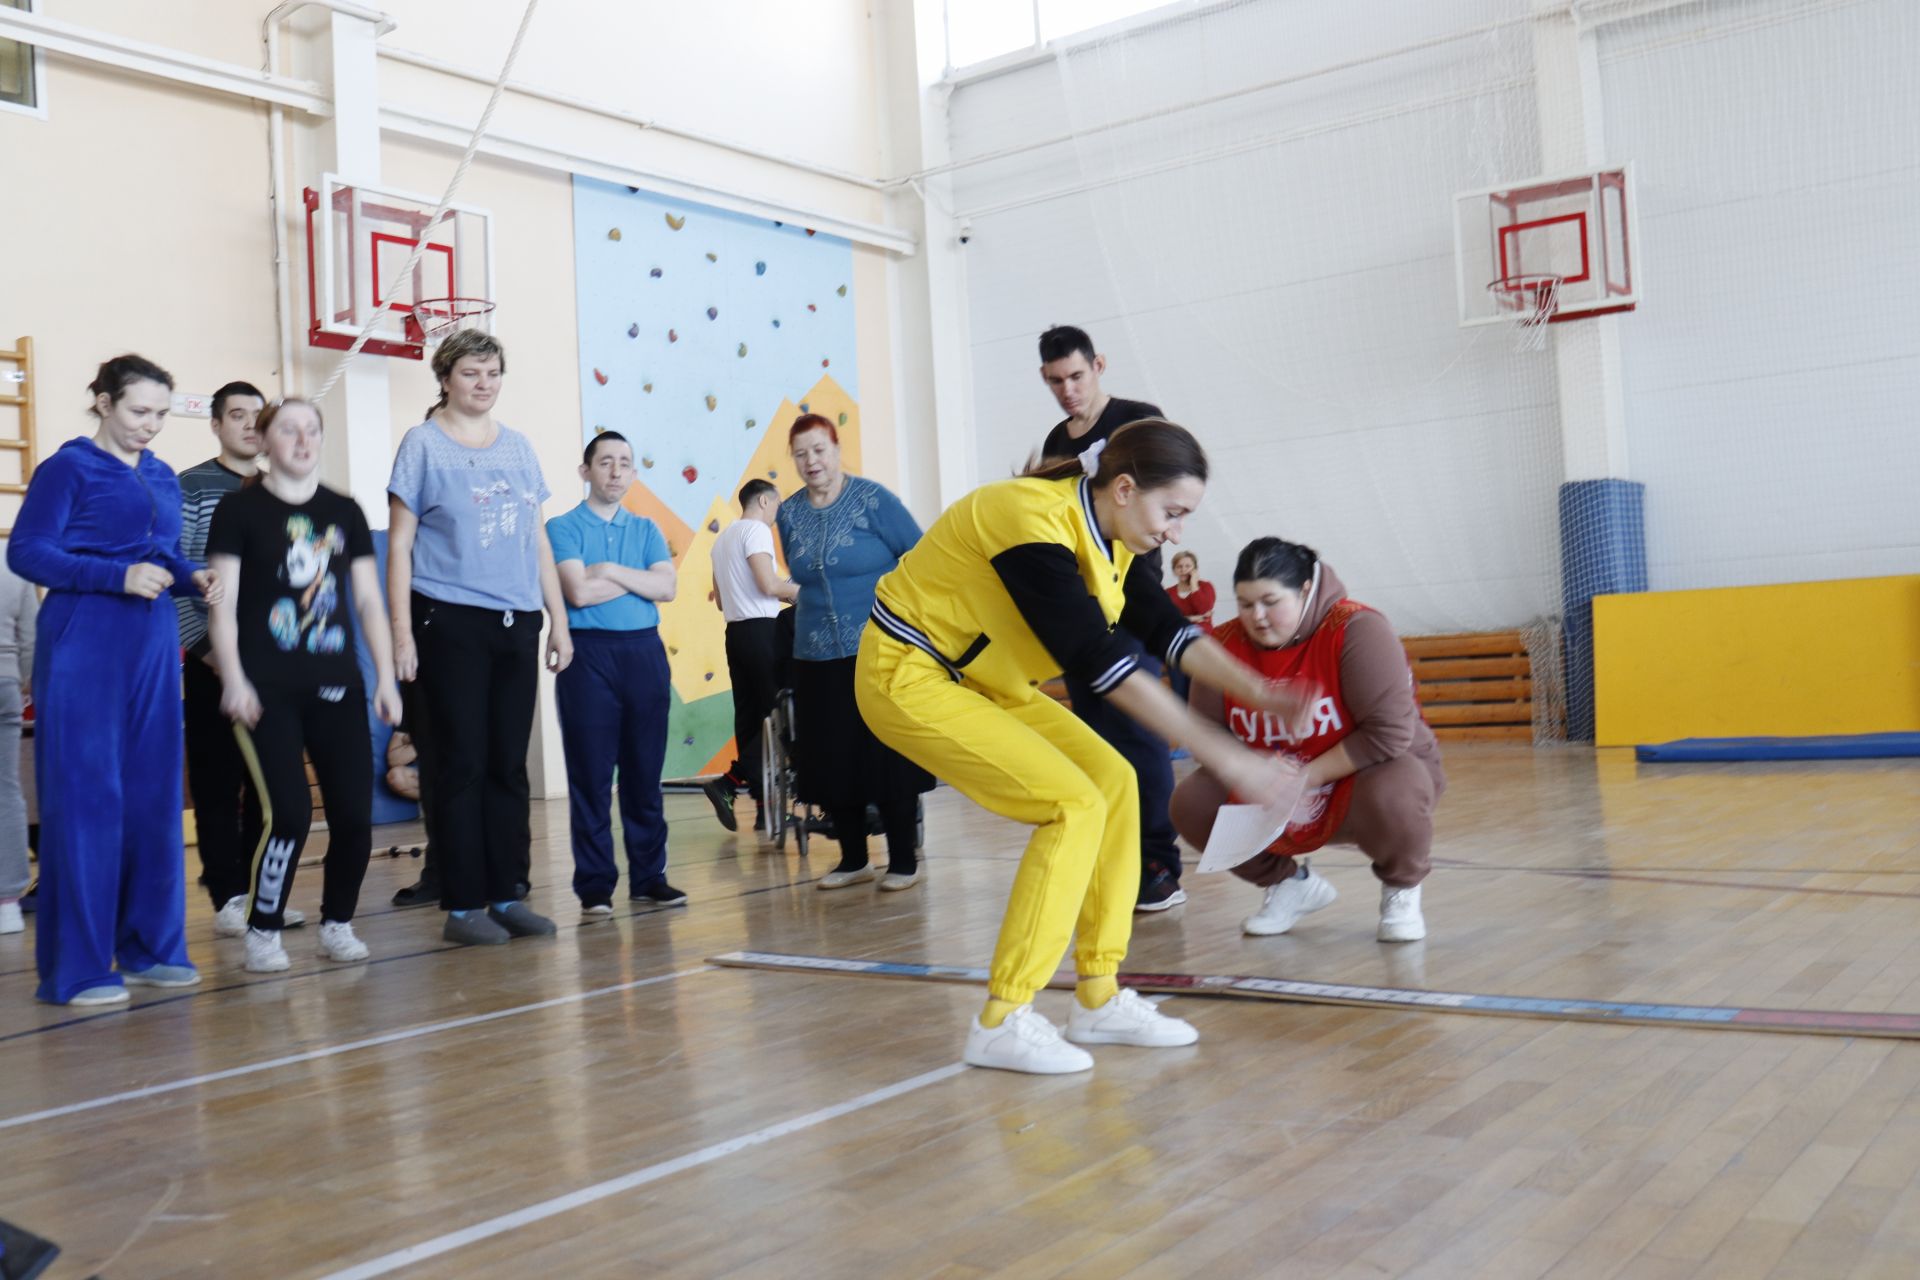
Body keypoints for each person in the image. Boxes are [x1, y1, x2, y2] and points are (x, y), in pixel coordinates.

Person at [857, 421, 1316, 1073]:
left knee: (1115, 780)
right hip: (909, 673)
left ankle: (1097, 996)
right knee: (1071, 804)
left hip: (989, 683)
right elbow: (1100, 664)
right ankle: (1002, 1018)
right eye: (1173, 512)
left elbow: (1170, 635)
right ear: (1124, 488)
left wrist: (1265, 694)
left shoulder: (1114, 543)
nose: (1176, 531)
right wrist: (1231, 756)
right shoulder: (1025, 518)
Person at [8, 355, 220, 1005]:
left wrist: (193, 577)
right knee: (86, 800)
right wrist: (114, 577)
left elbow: (158, 552)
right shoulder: (67, 467)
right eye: (138, 412)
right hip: (82, 640)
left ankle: (151, 948)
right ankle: (78, 969)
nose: (150, 426)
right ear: (102, 402)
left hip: (152, 645)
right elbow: (27, 551)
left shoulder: (159, 476)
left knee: (154, 799)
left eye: (160, 414)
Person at [387, 330, 572, 947]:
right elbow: (399, 546)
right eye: (471, 372)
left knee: (506, 765)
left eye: (492, 372)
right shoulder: (423, 445)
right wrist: (400, 633)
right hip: (449, 620)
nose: (483, 383)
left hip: (517, 623)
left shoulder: (518, 448)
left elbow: (538, 539)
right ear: (445, 378)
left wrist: (558, 620)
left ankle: (507, 893)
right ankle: (463, 904)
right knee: (460, 763)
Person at [205, 398, 403, 971]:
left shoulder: (344, 511)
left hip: (338, 686)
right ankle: (262, 928)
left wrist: (386, 679)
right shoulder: (237, 512)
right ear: (264, 440)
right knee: (289, 814)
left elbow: (368, 601)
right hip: (265, 691)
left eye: (312, 430)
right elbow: (225, 606)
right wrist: (234, 679)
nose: (303, 439)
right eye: (288, 429)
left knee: (353, 818)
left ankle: (337, 923)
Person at [1170, 538, 1444, 943]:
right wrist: (1255, 769)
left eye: (1269, 601)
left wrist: (1304, 776)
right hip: (1275, 784)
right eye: (1245, 604)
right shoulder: (1223, 644)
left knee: (1397, 788)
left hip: (1360, 775)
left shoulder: (1357, 629)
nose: (1257, 617)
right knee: (1191, 803)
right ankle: (1288, 885)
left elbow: (1389, 733)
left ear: (1304, 591)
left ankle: (1401, 888)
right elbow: (1207, 733)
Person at [1035, 325, 1187, 911]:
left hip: (1135, 600)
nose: (1067, 390)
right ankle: (1115, 856)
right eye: (1055, 381)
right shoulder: (1054, 438)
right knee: (1096, 735)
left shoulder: (1139, 418)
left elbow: (1166, 488)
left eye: (1076, 376)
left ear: (1098, 365)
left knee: (1141, 735)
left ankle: (1159, 866)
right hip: (1080, 607)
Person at [776, 413, 931, 891]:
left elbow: (921, 555)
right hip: (815, 653)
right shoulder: (788, 513)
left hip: (879, 648)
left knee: (886, 751)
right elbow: (800, 575)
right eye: (801, 454)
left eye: (819, 450)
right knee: (831, 754)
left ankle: (903, 858)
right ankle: (852, 859)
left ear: (837, 449)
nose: (811, 461)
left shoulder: (873, 500)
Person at [549, 430, 684, 914]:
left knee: (645, 775)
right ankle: (595, 887)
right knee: (590, 777)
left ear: (632, 472)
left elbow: (667, 589)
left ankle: (650, 878)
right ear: (585, 471)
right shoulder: (562, 527)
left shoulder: (646, 528)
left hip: (644, 654)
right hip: (588, 657)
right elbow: (577, 594)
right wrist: (636, 583)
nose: (615, 471)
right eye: (605, 462)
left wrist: (605, 569)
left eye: (624, 463)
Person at [177, 379, 286, 937]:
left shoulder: (281, 489)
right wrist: (211, 654)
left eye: (256, 415)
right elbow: (180, 581)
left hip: (270, 667)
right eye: (236, 415)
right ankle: (227, 896)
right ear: (216, 424)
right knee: (219, 783)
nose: (248, 424)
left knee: (268, 783)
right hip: (210, 662)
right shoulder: (191, 487)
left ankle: (261, 896)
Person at [709, 477, 798, 832]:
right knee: (778, 717)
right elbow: (769, 585)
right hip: (762, 631)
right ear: (763, 501)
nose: (776, 513)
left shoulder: (721, 541)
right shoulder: (756, 531)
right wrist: (802, 593)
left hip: (735, 633)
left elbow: (719, 598)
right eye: (775, 505)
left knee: (749, 720)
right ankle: (728, 782)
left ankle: (764, 811)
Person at [0, 558, 34, 936]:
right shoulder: (12, 564)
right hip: (5, 684)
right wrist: (26, 682)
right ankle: (7, 904)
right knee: (6, 789)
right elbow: (32, 640)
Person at [1164, 550, 1216, 703]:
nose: (1184, 569)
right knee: (1179, 688)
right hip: (1177, 643)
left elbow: (1203, 608)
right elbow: (1168, 619)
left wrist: (1194, 585)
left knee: (1200, 688)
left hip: (1201, 643)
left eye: (1188, 566)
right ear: (1174, 570)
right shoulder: (1168, 593)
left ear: (1195, 569)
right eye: (1179, 566)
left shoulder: (1205, 587)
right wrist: (1195, 618)